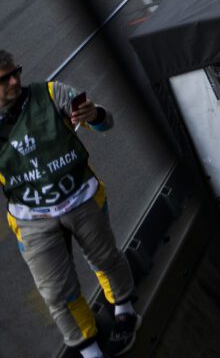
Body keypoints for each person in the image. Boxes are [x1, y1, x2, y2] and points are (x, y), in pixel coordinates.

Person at [0, 50, 139, 358]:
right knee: (55, 291)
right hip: (31, 218)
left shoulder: (50, 93)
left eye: (16, 72)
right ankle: (90, 351)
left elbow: (106, 123)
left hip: (79, 197)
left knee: (104, 258)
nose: (15, 80)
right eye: (4, 78)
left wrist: (95, 115)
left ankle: (125, 310)